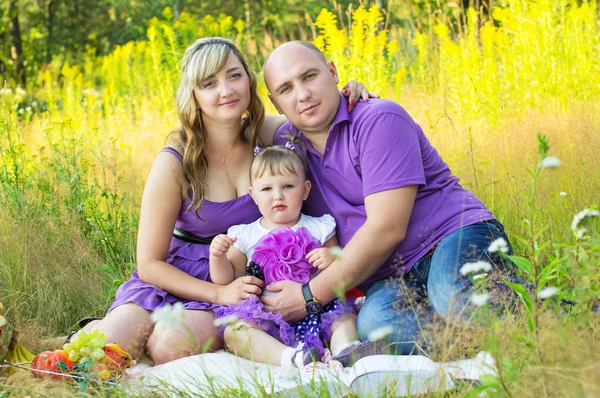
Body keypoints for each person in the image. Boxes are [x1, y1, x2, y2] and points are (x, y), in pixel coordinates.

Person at [79, 37, 375, 364]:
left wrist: (351, 92)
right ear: (193, 95)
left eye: (234, 75)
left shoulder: (269, 135)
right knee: (101, 351)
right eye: (210, 83)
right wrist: (219, 293)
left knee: (170, 345)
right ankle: (99, 328)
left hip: (234, 276)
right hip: (175, 275)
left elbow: (320, 117)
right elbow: (149, 263)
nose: (226, 90)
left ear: (249, 80)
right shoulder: (175, 161)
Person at [261, 41, 516, 355]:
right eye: (286, 89)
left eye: (310, 77)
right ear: (275, 103)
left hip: (451, 235)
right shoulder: (287, 144)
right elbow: (227, 122)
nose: (302, 95)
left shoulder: (378, 119)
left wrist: (309, 296)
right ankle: (483, 345)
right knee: (377, 324)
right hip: (389, 275)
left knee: (451, 294)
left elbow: (387, 228)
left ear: (332, 72)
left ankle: (572, 314)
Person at [209, 145, 377, 368]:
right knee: (236, 332)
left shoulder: (320, 226)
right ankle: (293, 358)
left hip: (318, 309)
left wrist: (331, 258)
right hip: (268, 315)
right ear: (253, 195)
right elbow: (228, 281)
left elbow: (339, 269)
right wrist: (217, 257)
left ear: (305, 190)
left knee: (343, 318)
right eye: (267, 189)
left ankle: (345, 349)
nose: (278, 195)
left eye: (288, 186)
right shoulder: (244, 234)